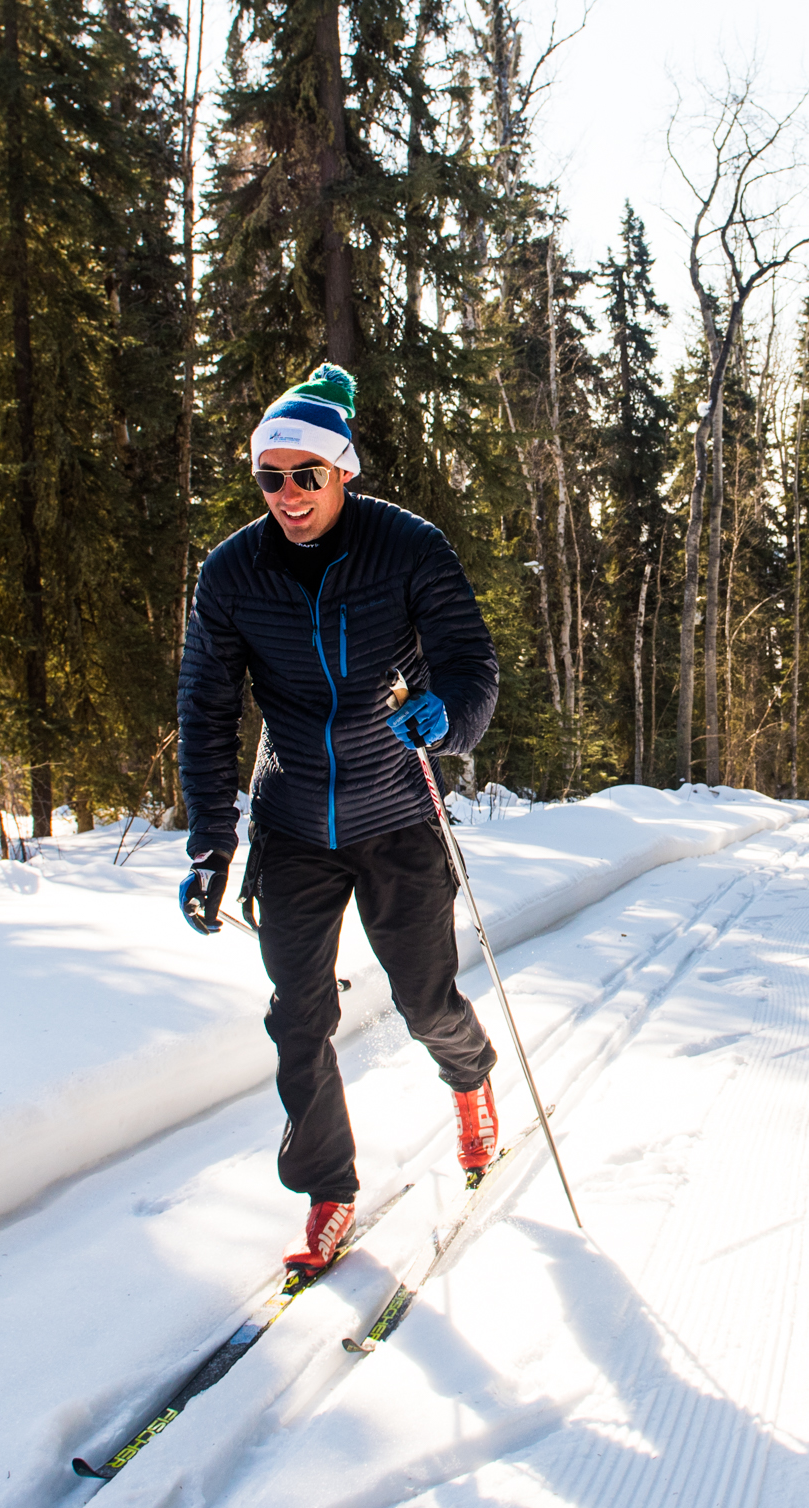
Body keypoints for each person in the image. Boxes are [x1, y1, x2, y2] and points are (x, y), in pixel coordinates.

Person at [176, 363, 504, 1271]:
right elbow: (204, 710)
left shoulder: (408, 548)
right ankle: (327, 1192)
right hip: (293, 826)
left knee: (423, 999)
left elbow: (470, 663)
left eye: (304, 475)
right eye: (269, 478)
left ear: (343, 471)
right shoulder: (233, 572)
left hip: (397, 809)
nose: (287, 495)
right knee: (298, 1018)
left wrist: (448, 716)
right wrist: (211, 844)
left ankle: (471, 1084)